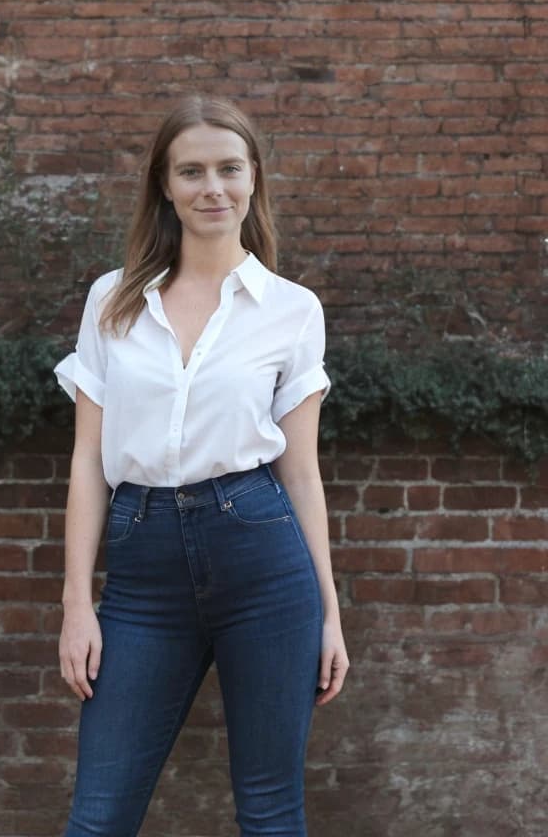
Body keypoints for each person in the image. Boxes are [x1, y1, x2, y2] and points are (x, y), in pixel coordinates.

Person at [53, 95, 349, 837]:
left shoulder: (292, 310)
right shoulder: (112, 301)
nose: (211, 187)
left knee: (271, 812)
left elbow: (302, 474)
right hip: (142, 566)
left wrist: (330, 610)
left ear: (253, 180)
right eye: (191, 171)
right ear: (165, 185)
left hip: (262, 557)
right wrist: (76, 602)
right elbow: (88, 459)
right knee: (97, 818)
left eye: (228, 168)